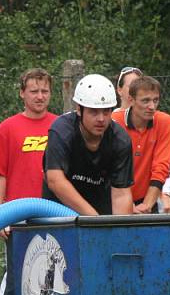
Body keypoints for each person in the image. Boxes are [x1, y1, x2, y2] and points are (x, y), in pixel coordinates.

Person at [0, 68, 57, 295]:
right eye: (33, 91)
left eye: (44, 91)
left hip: (54, 215)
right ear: (22, 93)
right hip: (18, 218)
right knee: (18, 281)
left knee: (52, 283)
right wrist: (0, 214)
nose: (39, 97)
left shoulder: (61, 125)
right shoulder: (9, 128)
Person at [43, 74, 134, 215]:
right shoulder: (61, 131)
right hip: (58, 213)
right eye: (93, 112)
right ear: (79, 109)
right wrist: (92, 218)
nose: (101, 119)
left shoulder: (120, 140)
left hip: (101, 211)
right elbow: (55, 180)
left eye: (106, 111)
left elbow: (121, 193)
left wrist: (121, 233)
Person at [116, 66, 170, 212]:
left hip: (148, 197)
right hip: (117, 195)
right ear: (131, 100)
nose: (151, 106)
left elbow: (162, 165)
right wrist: (128, 205)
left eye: (155, 100)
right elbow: (110, 168)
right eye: (145, 101)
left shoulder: (164, 121)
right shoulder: (114, 122)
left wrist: (147, 204)